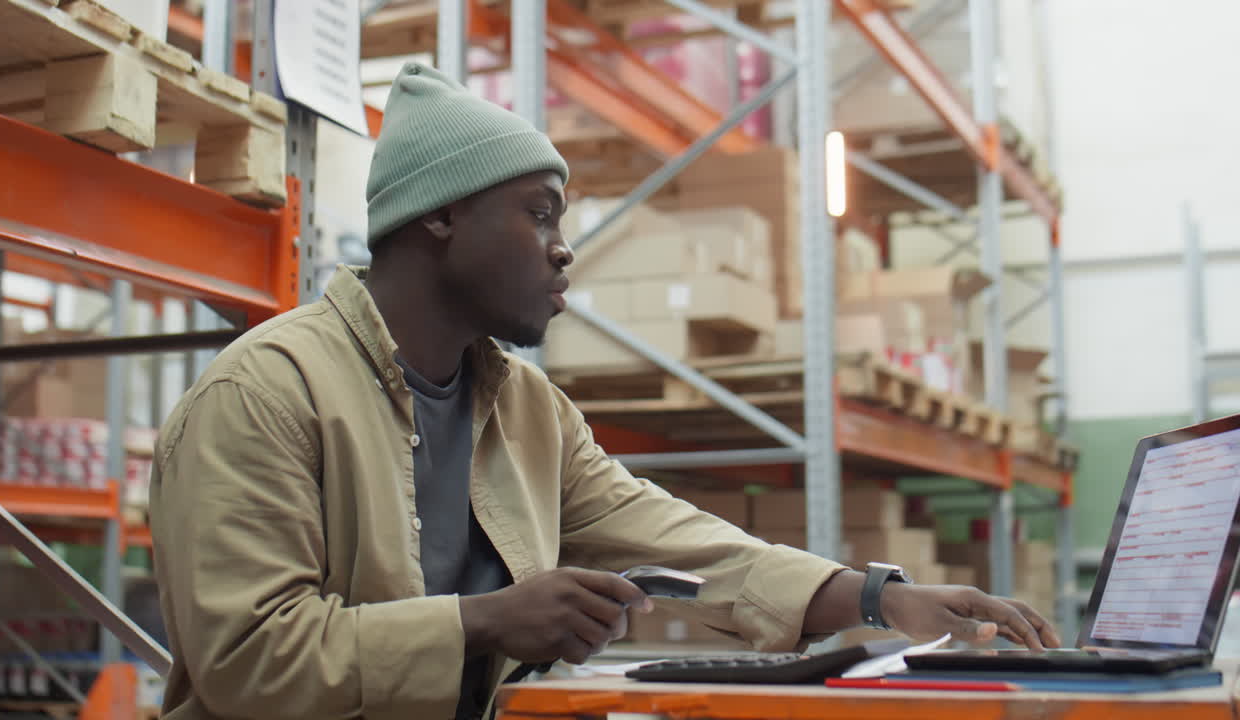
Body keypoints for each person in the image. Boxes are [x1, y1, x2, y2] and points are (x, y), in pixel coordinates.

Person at [148, 63, 1060, 720]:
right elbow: (249, 661)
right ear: (441, 214)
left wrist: (878, 599)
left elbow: (685, 546)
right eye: (538, 212)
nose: (562, 247)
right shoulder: (268, 392)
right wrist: (485, 622)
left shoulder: (522, 410)